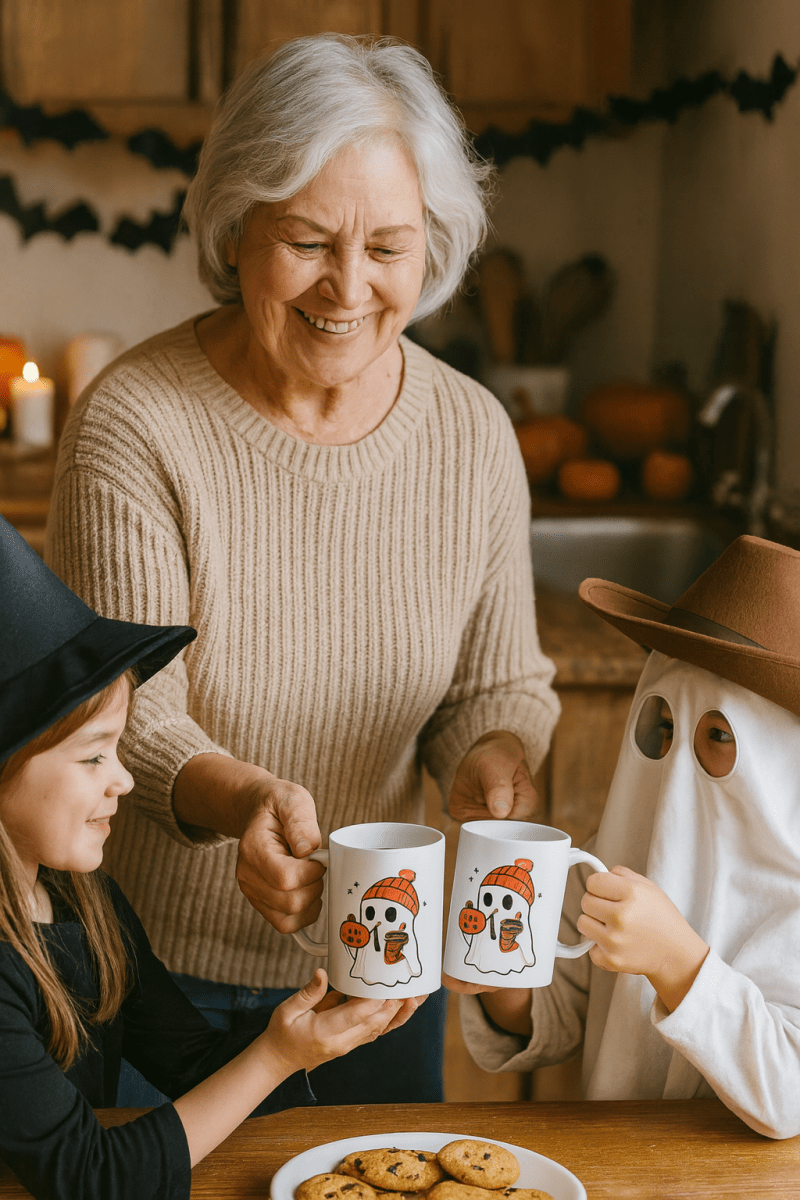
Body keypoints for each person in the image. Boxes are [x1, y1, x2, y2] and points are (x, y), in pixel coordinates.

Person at [45, 33, 559, 1105]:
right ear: (236, 229)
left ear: (433, 251)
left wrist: (492, 756)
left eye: (387, 248)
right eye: (309, 239)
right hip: (149, 982)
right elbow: (122, 705)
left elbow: (494, 684)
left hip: (376, 969)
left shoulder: (469, 432)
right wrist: (241, 804)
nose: (347, 286)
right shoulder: (136, 422)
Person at [0, 516, 413, 1199]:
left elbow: (195, 1065)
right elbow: (89, 1180)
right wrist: (277, 1055)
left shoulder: (82, 900)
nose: (125, 779)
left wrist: (333, 1006)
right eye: (94, 755)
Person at [448, 535, 800, 1139]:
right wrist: (500, 984)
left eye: (717, 735)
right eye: (662, 725)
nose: (676, 761)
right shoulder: (624, 848)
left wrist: (678, 964)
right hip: (619, 1166)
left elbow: (788, 1096)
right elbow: (570, 1013)